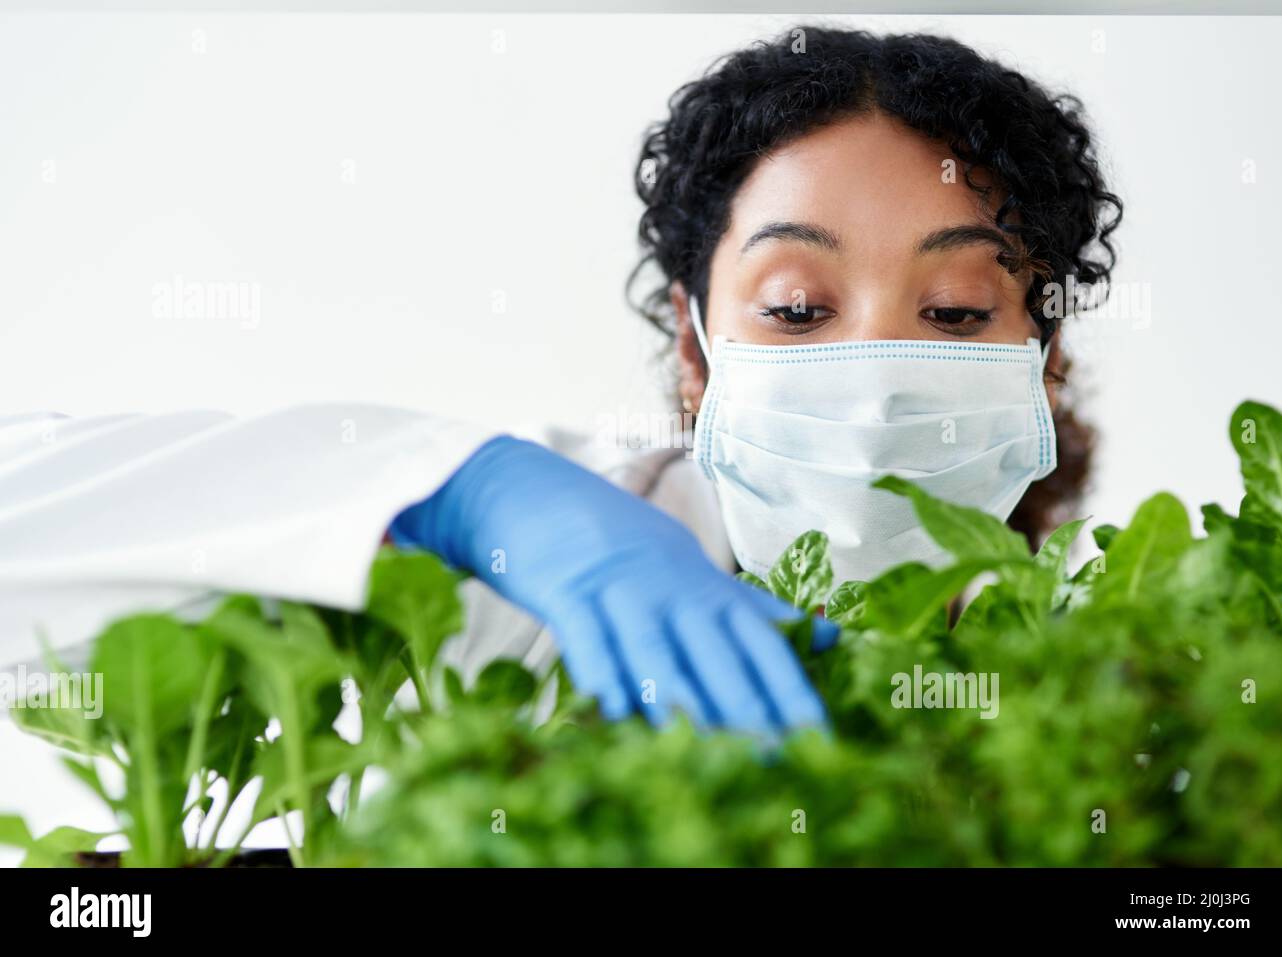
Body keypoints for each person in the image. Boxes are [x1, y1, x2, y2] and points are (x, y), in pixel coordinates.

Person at [0, 27, 1120, 740]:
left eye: (956, 311)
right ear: (693, 349)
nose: (873, 384)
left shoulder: (1147, 670)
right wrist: (463, 495)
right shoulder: (515, 588)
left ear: (1045, 356)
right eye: (794, 309)